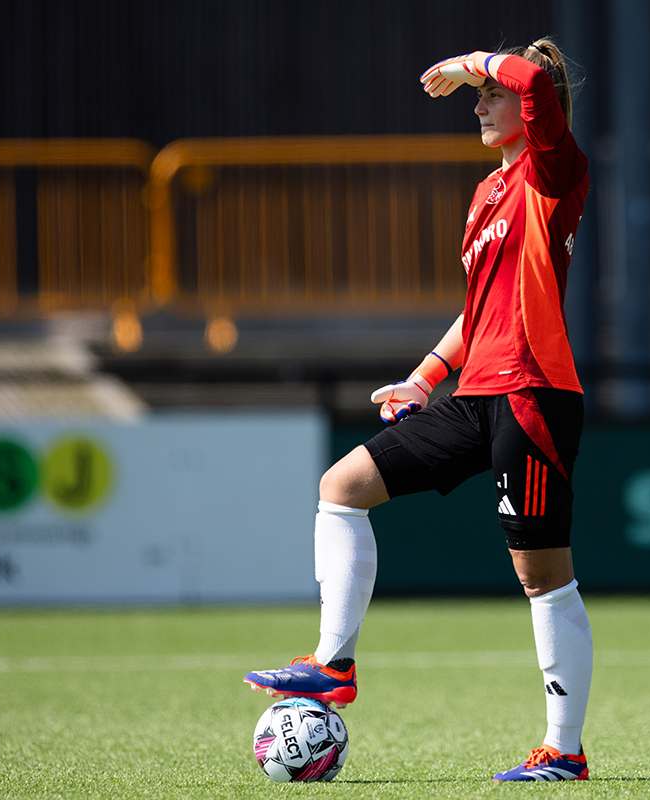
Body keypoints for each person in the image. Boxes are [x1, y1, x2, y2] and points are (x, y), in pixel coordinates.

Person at [243, 40, 593, 782]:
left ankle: (563, 750)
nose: (478, 105)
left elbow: (528, 77)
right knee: (341, 488)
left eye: (488, 96)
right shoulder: (486, 195)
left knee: (542, 578)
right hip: (474, 398)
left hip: (532, 397)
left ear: (534, 110)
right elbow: (475, 314)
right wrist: (423, 377)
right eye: (478, 94)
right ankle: (332, 665)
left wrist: (473, 60)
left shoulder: (554, 171)